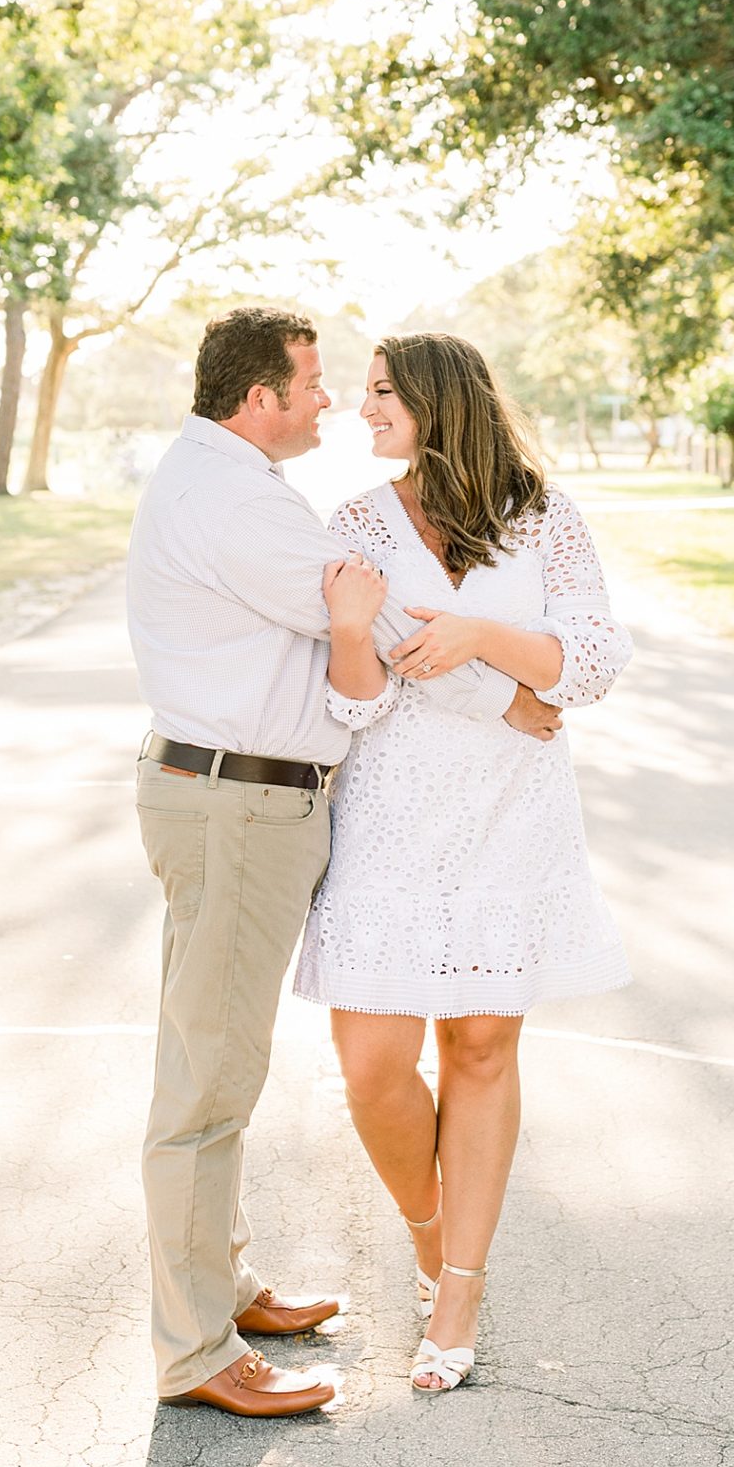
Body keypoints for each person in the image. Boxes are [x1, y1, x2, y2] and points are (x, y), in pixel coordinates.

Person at [125, 306, 563, 1418]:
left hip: (234, 797)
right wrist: (513, 691)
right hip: (235, 803)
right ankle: (197, 1350)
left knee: (212, 1058)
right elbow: (399, 623)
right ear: (261, 398)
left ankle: (221, 1288)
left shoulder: (229, 484)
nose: (331, 402)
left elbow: (379, 625)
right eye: (315, 384)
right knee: (209, 1079)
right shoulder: (238, 505)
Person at [294, 332, 633, 1394]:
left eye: (383, 393)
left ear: (441, 401)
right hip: (392, 811)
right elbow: (373, 680)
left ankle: (460, 1291)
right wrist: (507, 693)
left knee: (482, 1047)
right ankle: (428, 1224)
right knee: (374, 1065)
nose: (362, 410)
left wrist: (486, 635)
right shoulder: (355, 522)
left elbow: (595, 661)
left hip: (509, 816)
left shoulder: (545, 514)